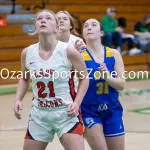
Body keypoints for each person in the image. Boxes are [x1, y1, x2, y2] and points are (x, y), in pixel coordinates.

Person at [13, 9, 89, 150]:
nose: (43, 20)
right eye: (39, 18)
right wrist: (18, 99)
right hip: (39, 115)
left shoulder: (68, 50)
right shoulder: (27, 52)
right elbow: (24, 79)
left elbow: (84, 79)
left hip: (66, 113)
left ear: (57, 27)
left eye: (48, 18)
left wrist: (77, 103)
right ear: (35, 26)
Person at [80, 18, 125, 150]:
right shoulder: (78, 55)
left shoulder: (114, 54)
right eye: (86, 25)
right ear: (82, 33)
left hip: (112, 109)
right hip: (89, 111)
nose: (89, 27)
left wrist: (107, 77)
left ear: (101, 32)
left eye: (93, 25)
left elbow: (121, 85)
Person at [56, 10, 86, 92]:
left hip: (72, 87)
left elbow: (84, 68)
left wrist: (76, 55)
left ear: (71, 26)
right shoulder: (48, 42)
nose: (61, 21)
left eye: (65, 19)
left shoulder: (78, 41)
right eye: (58, 19)